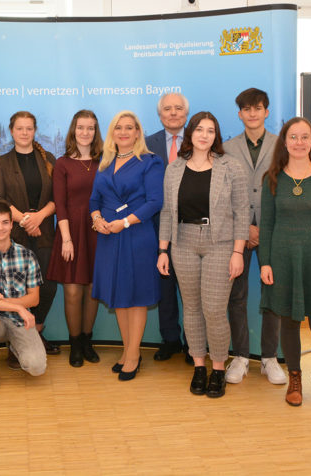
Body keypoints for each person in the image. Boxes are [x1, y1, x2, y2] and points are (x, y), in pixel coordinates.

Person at [157, 112, 249, 398]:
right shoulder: (174, 168)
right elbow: (167, 212)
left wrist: (238, 252)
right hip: (182, 242)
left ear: (215, 136)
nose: (204, 135)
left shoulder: (231, 167)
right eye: (199, 129)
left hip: (220, 245)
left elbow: (242, 213)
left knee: (214, 310)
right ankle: (199, 367)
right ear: (190, 133)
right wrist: (163, 250)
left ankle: (218, 369)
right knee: (192, 309)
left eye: (211, 130)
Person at [258, 117, 311, 412]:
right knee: (289, 321)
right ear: (284, 142)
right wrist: (265, 263)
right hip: (282, 259)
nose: (299, 142)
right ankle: (294, 379)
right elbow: (266, 225)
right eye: (293, 137)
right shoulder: (272, 178)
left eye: (304, 137)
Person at [90, 110, 164, 381]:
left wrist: (125, 222)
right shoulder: (105, 161)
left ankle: (133, 355)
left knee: (136, 297)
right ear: (112, 132)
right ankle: (127, 350)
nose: (123, 132)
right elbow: (94, 200)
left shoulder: (150, 162)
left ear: (137, 132)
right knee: (119, 297)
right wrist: (96, 219)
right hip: (108, 237)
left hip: (136, 235)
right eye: (118, 127)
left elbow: (155, 202)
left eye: (129, 127)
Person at [222, 88, 286, 386]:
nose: (252, 113)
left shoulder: (282, 145)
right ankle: (241, 356)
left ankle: (270, 357)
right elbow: (222, 194)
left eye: (258, 108)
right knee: (236, 295)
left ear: (266, 111)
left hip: (273, 231)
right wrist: (244, 226)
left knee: (273, 293)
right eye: (246, 109)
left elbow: (286, 188)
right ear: (239, 114)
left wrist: (264, 227)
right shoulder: (226, 147)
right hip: (238, 231)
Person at [0, 111, 59, 356]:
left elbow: (58, 198)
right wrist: (26, 220)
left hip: (45, 231)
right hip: (16, 234)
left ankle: (35, 332)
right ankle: (16, 342)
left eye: (29, 128)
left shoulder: (48, 158)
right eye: (20, 128)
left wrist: (39, 217)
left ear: (35, 130)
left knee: (48, 285)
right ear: (11, 131)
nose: (25, 133)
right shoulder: (2, 162)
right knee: (18, 290)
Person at [0, 202, 47, 395]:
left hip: (19, 322)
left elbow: (34, 299)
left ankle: (15, 347)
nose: (0, 228)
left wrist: (5, 302)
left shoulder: (27, 256)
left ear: (12, 224)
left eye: (5, 222)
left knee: (37, 367)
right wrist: (19, 307)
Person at [46, 110, 103, 367]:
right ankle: (75, 344)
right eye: (81, 127)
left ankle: (88, 341)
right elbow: (61, 204)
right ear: (73, 130)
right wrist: (66, 239)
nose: (85, 132)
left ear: (96, 132)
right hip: (70, 231)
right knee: (71, 291)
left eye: (90, 128)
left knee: (92, 289)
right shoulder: (62, 163)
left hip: (98, 231)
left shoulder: (105, 161)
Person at [145, 92, 189, 362]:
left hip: (192, 226)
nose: (173, 113)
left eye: (178, 108)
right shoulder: (147, 144)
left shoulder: (199, 140)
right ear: (160, 115)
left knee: (192, 290)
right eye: (167, 109)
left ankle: (193, 343)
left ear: (186, 113)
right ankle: (170, 339)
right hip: (156, 225)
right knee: (165, 287)